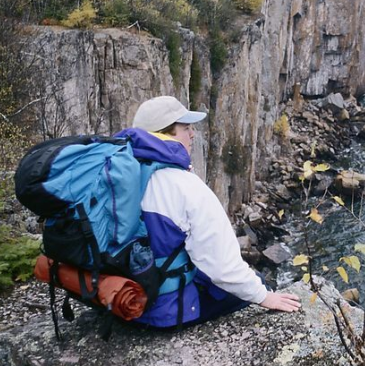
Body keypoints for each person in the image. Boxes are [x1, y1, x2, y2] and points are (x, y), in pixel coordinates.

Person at [126, 96, 300, 328]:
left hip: (120, 297)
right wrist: (264, 297)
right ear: (164, 134)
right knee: (255, 282)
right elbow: (222, 266)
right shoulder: (182, 185)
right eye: (185, 128)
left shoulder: (119, 174)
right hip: (159, 311)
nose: (193, 134)